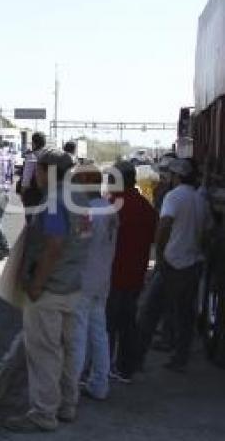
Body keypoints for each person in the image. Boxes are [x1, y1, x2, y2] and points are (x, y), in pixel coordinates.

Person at [5, 149, 87, 433]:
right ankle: (67, 404)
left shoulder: (53, 200)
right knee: (68, 349)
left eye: (38, 170)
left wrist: (36, 284)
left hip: (50, 288)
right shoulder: (79, 195)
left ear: (49, 172)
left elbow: (54, 245)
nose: (35, 175)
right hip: (73, 285)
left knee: (44, 353)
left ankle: (43, 413)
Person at [151, 158, 211, 371]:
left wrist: (159, 252)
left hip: (173, 262)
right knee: (186, 313)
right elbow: (206, 232)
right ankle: (180, 356)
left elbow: (164, 225)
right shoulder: (200, 200)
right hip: (193, 262)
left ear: (177, 176)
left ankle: (137, 355)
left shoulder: (173, 197)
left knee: (155, 307)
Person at [107, 161, 157, 382]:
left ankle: (104, 368)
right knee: (128, 323)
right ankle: (127, 368)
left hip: (114, 275)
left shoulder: (113, 207)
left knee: (107, 326)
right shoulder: (146, 207)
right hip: (136, 276)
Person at [72, 167, 118, 400]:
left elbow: (80, 245)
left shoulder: (89, 212)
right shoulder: (110, 209)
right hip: (103, 278)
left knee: (78, 336)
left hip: (85, 279)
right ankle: (100, 384)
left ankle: (71, 391)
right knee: (99, 333)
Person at [19, 132, 47, 224]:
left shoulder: (32, 156)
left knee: (31, 222)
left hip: (32, 194)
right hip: (47, 194)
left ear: (34, 143)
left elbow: (26, 179)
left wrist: (22, 193)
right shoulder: (49, 156)